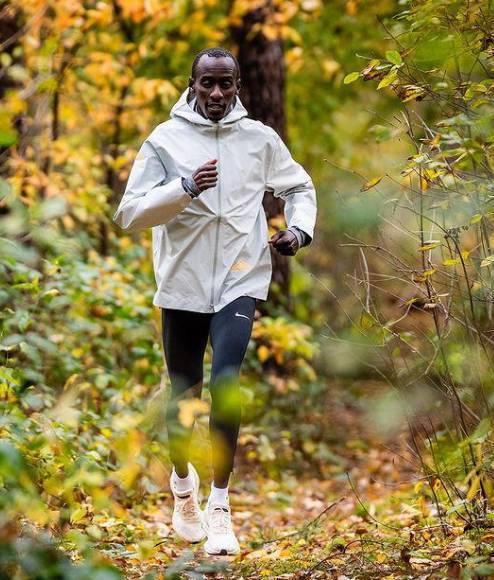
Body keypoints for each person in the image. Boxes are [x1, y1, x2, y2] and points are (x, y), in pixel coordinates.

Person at [111, 47, 317, 556]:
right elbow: (129, 213)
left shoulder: (259, 139)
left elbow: (299, 187)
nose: (218, 93)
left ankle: (220, 505)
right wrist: (183, 188)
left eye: (227, 83)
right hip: (181, 282)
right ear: (193, 85)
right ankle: (184, 488)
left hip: (239, 279)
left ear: (238, 86)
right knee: (184, 394)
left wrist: (298, 231)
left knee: (226, 384)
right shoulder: (165, 139)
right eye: (208, 83)